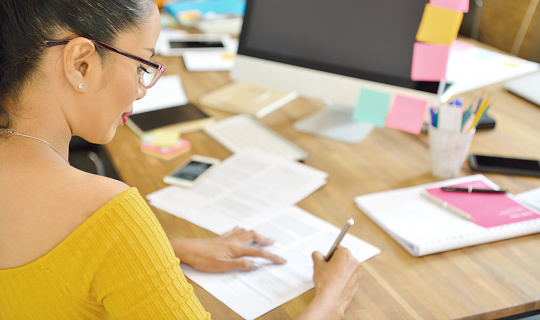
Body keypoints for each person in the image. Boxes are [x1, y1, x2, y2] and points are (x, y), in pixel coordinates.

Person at [0, 1, 362, 319]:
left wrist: (158, 254)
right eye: (143, 65)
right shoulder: (108, 215)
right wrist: (331, 301)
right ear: (81, 64)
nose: (143, 89)